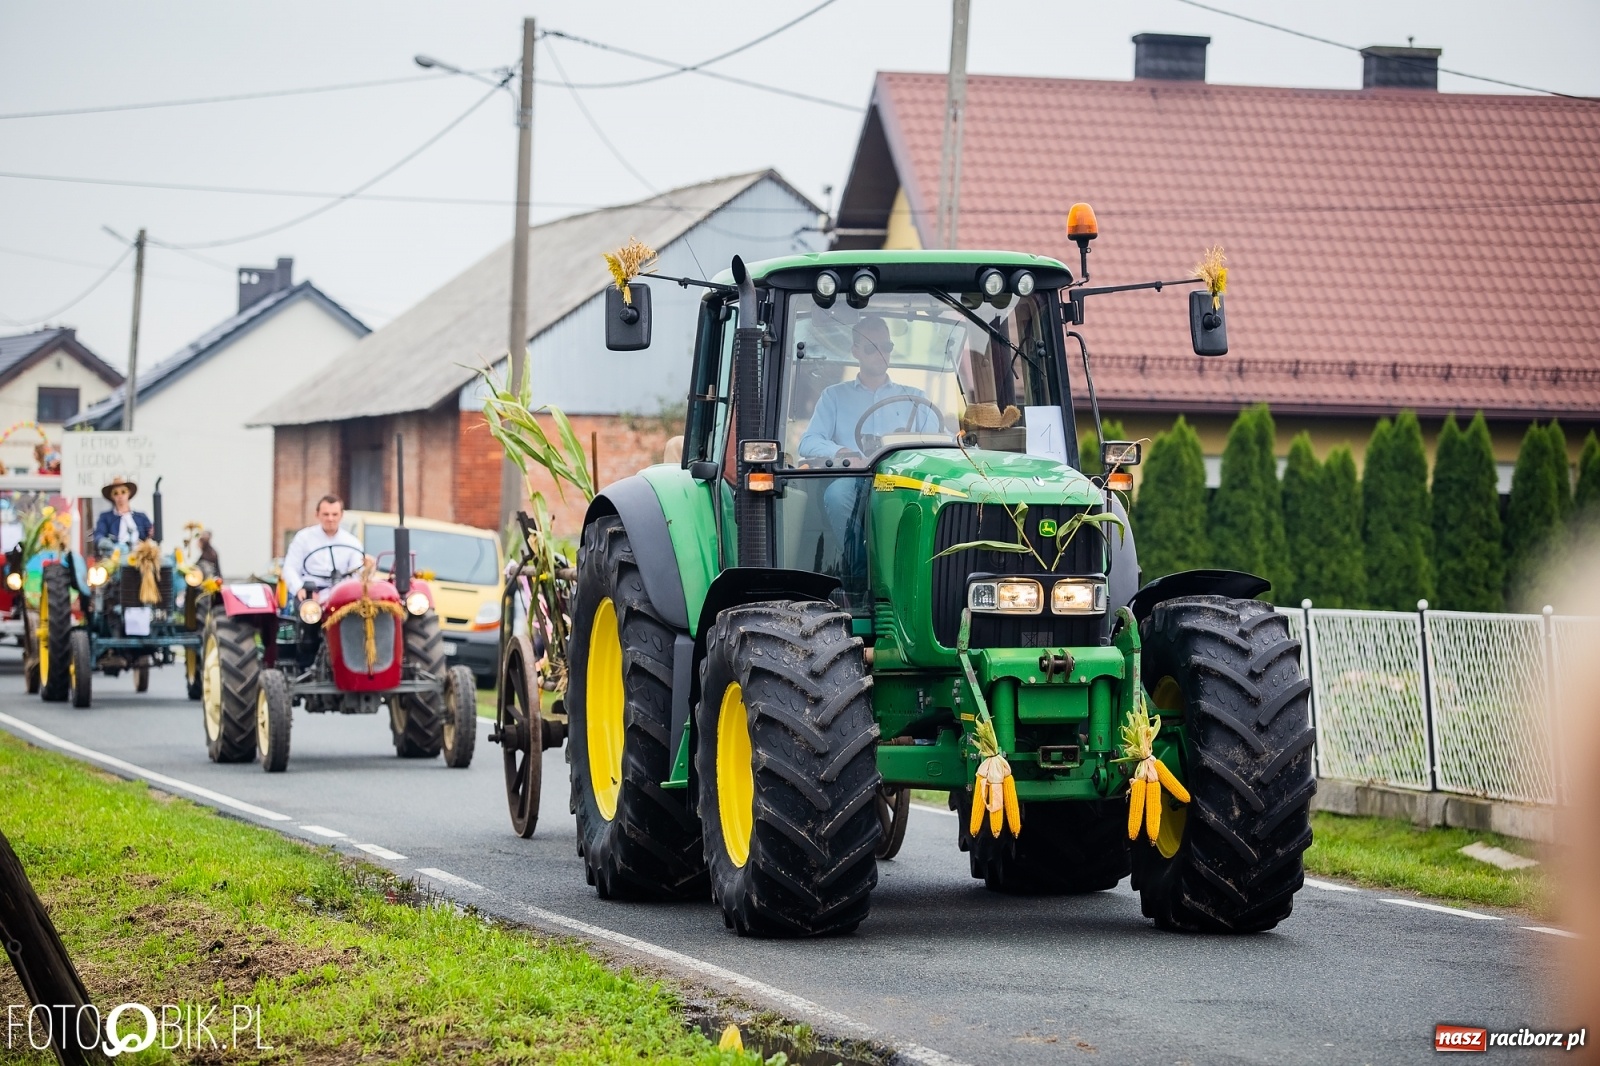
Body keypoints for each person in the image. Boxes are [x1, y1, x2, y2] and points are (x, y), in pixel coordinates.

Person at [797, 317, 945, 542]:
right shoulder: (834, 396)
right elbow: (808, 442)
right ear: (855, 351)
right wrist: (842, 452)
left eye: (886, 347)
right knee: (837, 495)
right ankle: (859, 571)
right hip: (858, 477)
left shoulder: (915, 398)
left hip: (907, 479)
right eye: (871, 348)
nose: (881, 354)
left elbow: (941, 440)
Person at [282, 495, 366, 600]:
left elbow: (357, 574)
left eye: (335, 514)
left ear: (341, 515)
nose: (330, 519)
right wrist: (299, 588)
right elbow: (290, 567)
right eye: (326, 514)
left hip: (341, 595)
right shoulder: (303, 538)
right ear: (317, 515)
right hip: (310, 593)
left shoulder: (352, 543)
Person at [91, 476, 152, 552]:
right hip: (116, 556)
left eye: (123, 492)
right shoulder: (105, 517)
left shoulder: (141, 517)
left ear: (129, 493)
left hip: (140, 555)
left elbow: (151, 533)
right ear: (112, 496)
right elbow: (99, 534)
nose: (120, 496)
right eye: (116, 493)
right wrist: (102, 541)